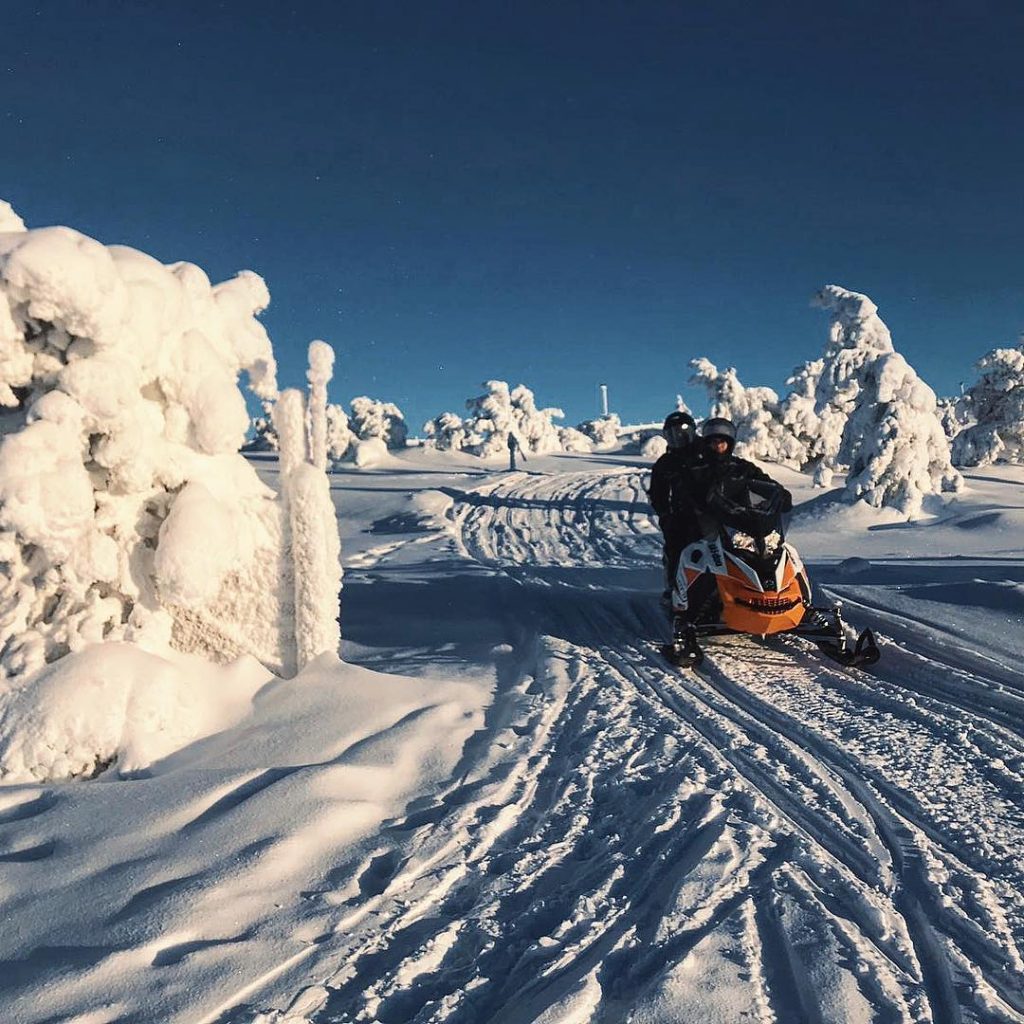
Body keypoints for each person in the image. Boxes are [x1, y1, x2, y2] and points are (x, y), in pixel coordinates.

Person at [649, 411, 702, 605]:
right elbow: (657, 493)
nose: (678, 437)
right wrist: (665, 514)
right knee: (676, 547)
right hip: (683, 514)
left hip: (716, 510)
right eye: (672, 434)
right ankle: (675, 587)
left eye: (682, 431)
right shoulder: (665, 463)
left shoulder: (706, 453)